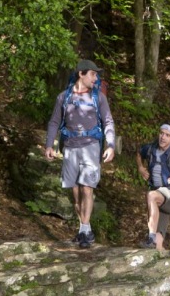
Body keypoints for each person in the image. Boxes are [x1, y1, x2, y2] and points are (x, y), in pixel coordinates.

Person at [44, 59, 116, 248]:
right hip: (70, 147)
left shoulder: (98, 97)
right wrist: (49, 145)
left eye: (96, 74)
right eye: (93, 74)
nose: (96, 78)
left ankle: (84, 229)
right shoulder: (64, 97)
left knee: (87, 187)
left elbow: (108, 121)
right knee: (76, 194)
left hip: (91, 146)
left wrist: (110, 145)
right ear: (81, 74)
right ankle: (85, 228)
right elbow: (54, 122)